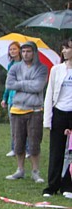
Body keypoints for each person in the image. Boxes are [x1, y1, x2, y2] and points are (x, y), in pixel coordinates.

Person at [5, 41, 48, 183]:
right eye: (23, 51)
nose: (25, 54)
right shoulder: (15, 68)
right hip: (17, 109)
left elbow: (38, 86)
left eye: (28, 51)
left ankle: (35, 171)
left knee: (34, 142)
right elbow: (9, 84)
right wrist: (27, 83)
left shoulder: (42, 68)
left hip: (34, 109)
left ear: (34, 52)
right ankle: (20, 169)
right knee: (18, 141)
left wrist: (21, 83)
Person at [42, 40, 72, 196]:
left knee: (71, 152)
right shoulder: (56, 70)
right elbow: (49, 95)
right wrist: (48, 119)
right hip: (59, 112)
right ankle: (52, 185)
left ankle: (68, 185)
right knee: (56, 150)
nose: (64, 51)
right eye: (63, 48)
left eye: (67, 48)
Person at [1, 41, 22, 157]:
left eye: (14, 49)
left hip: (23, 99)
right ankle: (14, 147)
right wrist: (5, 98)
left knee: (24, 126)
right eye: (10, 49)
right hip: (11, 99)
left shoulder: (26, 64)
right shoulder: (10, 65)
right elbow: (8, 84)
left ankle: (26, 148)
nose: (12, 51)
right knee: (13, 126)